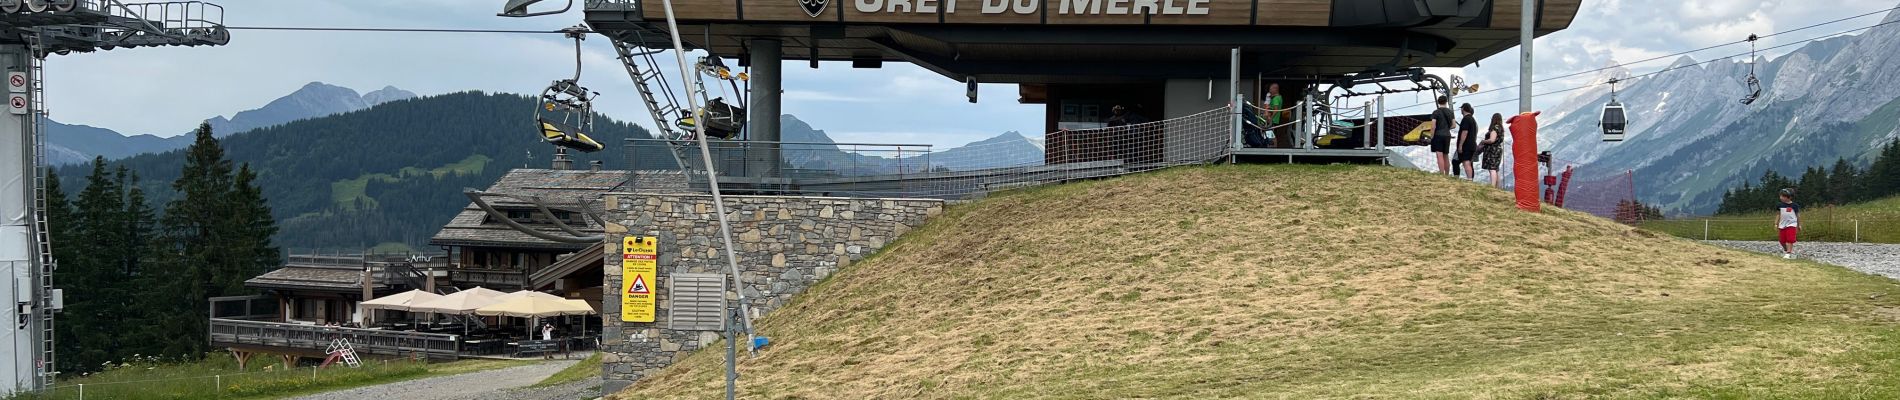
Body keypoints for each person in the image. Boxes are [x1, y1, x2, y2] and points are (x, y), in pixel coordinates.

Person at [1430, 96, 1456, 174]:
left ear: (1438, 102)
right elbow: (1454, 125)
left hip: (1438, 135)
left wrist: (1432, 136)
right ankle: (1447, 173)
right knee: (1446, 155)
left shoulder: (1436, 112)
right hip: (1447, 135)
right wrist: (1447, 128)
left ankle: (1441, 173)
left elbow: (1433, 126)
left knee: (1439, 154)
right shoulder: (1450, 112)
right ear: (1446, 102)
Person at [1480, 113, 1506, 188]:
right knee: (1496, 169)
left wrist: (1483, 141)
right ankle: (1498, 186)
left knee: (1492, 169)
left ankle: (1492, 186)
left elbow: (1492, 140)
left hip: (1492, 150)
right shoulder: (1501, 129)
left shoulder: (1495, 128)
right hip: (1498, 149)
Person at [1776, 188, 1801, 259]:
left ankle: (1788, 253)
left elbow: (1797, 215)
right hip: (1782, 224)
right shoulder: (1779, 205)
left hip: (1791, 224)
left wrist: (1799, 225)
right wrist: (1776, 223)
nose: (1781, 198)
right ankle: (1786, 250)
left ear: (1789, 197)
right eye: (1780, 196)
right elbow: (1778, 214)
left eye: (1783, 196)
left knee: (1789, 239)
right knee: (1782, 240)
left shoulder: (1794, 206)